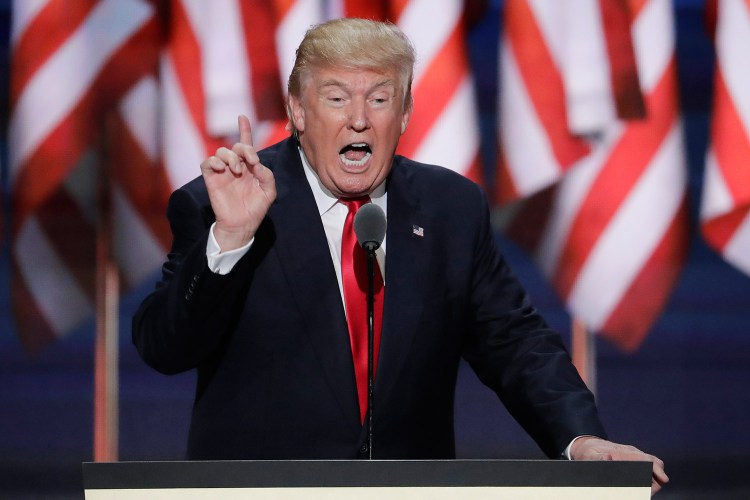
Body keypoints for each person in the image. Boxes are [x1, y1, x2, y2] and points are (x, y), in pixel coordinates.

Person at [132, 18, 668, 495]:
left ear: (406, 111)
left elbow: (515, 343)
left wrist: (581, 441)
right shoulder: (223, 202)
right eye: (337, 97)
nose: (359, 120)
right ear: (297, 110)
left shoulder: (449, 209)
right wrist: (230, 239)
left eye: (380, 98)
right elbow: (164, 346)